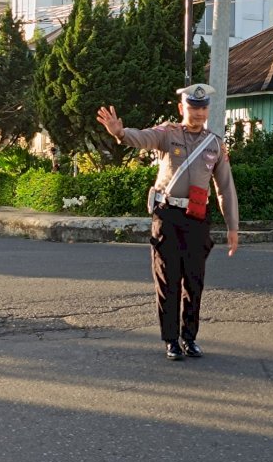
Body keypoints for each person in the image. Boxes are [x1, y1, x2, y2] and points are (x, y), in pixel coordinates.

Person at [96, 83, 239, 361]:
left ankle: (190, 337)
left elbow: (225, 188)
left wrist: (232, 225)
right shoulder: (167, 134)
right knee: (168, 279)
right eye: (193, 108)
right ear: (181, 108)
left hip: (197, 219)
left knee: (194, 281)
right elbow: (143, 137)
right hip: (168, 215)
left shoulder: (215, 144)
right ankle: (171, 340)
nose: (198, 113)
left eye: (203, 108)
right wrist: (121, 134)